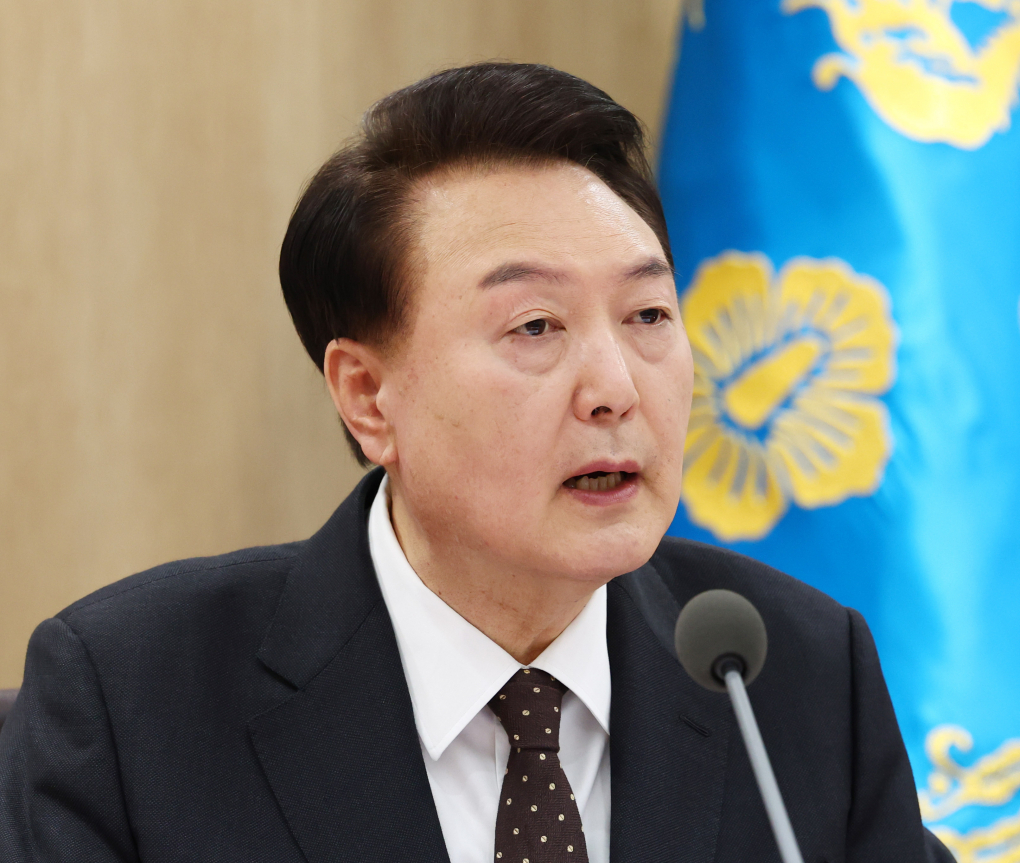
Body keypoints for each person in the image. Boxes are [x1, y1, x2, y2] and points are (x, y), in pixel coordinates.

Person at [0, 63, 954, 863]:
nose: (616, 387)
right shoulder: (133, 704)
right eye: (535, 326)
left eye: (649, 315)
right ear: (369, 397)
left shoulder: (792, 679)